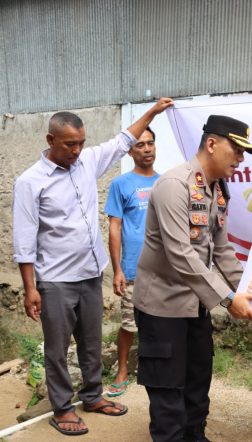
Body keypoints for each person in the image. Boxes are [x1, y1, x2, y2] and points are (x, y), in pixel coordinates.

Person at [12, 98, 174, 436]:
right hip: (55, 280)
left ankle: (91, 396)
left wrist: (151, 113)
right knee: (57, 349)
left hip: (89, 273)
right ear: (50, 140)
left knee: (91, 342)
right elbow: (25, 239)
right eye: (70, 144)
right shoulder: (31, 181)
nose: (77, 150)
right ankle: (61, 408)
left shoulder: (86, 162)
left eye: (81, 142)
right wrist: (30, 288)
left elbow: (122, 140)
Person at [132, 115, 252, 442]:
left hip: (196, 307)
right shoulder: (174, 185)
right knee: (168, 393)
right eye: (237, 149)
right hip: (162, 307)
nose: (241, 159)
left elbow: (222, 250)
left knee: (196, 386)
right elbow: (180, 253)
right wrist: (230, 299)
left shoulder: (217, 189)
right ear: (212, 143)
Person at [104, 127, 160, 397]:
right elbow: (114, 228)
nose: (147, 149)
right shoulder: (121, 184)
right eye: (140, 145)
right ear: (130, 150)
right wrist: (117, 270)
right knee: (128, 323)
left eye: (150, 144)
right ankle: (122, 369)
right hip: (133, 268)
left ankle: (157, 369)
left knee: (161, 322)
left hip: (163, 270)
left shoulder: (166, 183)